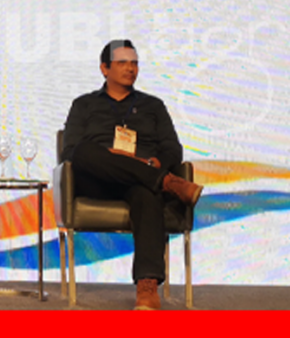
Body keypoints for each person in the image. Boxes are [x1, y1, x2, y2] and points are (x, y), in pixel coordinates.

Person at [60, 39, 203, 310]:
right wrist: (114, 158)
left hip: (140, 182)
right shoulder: (84, 104)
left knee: (147, 193)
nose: (130, 68)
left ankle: (147, 286)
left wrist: (155, 162)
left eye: (135, 63)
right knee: (83, 151)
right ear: (104, 68)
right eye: (122, 62)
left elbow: (172, 148)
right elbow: (69, 153)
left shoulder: (153, 106)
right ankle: (166, 182)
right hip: (98, 180)